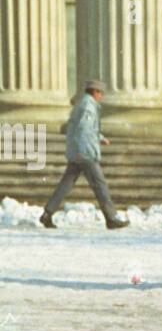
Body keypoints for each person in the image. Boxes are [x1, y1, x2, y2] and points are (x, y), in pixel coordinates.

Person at [40, 80, 129, 229]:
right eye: (100, 93)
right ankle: (111, 218)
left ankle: (47, 214)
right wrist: (86, 150)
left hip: (77, 152)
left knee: (66, 184)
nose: (101, 96)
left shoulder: (81, 104)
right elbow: (84, 129)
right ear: (94, 92)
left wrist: (100, 138)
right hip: (85, 153)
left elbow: (83, 128)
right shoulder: (89, 106)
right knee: (100, 185)